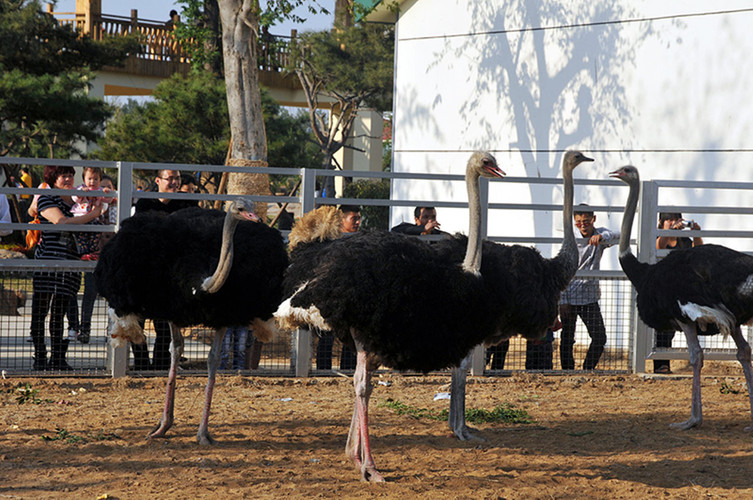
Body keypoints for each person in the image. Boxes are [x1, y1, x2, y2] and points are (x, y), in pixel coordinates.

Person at [30, 166, 105, 370]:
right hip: (49, 259)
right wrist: (94, 214)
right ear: (54, 179)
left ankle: (57, 356)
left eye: (71, 175)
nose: (69, 179)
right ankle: (39, 356)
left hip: (71, 261)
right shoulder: (47, 198)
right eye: (64, 176)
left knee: (60, 312)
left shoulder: (78, 200)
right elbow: (61, 222)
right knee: (40, 310)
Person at [131, 169, 195, 370]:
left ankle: (161, 363)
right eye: (170, 179)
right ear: (158, 180)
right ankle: (141, 364)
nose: (175, 182)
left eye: (177, 178)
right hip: (147, 269)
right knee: (139, 319)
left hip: (172, 271)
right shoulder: (144, 202)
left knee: (165, 322)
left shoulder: (188, 202)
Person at [559, 204, 619, 370]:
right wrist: (562, 300)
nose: (582, 225)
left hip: (589, 297)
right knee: (567, 338)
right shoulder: (570, 239)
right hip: (570, 296)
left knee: (599, 336)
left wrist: (602, 237)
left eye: (586, 221)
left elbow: (617, 235)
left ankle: (587, 369)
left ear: (593, 219)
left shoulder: (599, 235)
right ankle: (567, 371)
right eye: (578, 222)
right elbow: (562, 268)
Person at [65, 167, 113, 343]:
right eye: (89, 179)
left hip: (98, 245)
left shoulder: (100, 194)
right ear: (84, 179)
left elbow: (108, 200)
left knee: (91, 290)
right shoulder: (81, 191)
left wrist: (107, 192)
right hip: (80, 223)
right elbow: (75, 198)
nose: (92, 182)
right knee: (72, 286)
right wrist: (83, 192)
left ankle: (85, 326)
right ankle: (74, 326)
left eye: (96, 179)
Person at [653, 212, 704, 374]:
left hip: (682, 289)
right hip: (663, 290)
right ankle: (661, 364)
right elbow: (659, 247)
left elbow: (699, 251)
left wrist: (696, 233)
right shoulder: (660, 238)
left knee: (680, 327)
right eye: (669, 220)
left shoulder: (684, 241)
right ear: (661, 223)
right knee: (664, 329)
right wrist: (671, 232)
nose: (674, 222)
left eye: (676, 219)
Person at [315, 205, 360, 370]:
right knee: (327, 334)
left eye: (358, 218)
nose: (357, 222)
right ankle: (323, 370)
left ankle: (348, 369)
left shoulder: (358, 241)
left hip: (351, 293)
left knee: (350, 334)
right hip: (331, 294)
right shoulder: (329, 241)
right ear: (342, 220)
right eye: (353, 218)